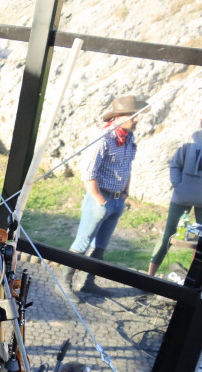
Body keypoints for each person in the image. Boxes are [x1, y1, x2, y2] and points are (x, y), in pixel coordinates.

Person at [65, 94, 147, 296]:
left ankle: (88, 282)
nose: (136, 119)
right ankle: (64, 284)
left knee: (101, 245)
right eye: (133, 115)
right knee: (82, 243)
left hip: (118, 200)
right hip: (99, 199)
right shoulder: (103, 139)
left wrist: (126, 193)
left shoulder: (129, 138)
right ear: (118, 116)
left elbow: (127, 167)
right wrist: (100, 200)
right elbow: (88, 174)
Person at [148, 116, 202, 276]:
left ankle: (192, 280)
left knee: (200, 239)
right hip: (181, 196)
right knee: (168, 234)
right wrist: (177, 184)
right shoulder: (188, 142)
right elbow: (175, 165)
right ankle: (149, 276)